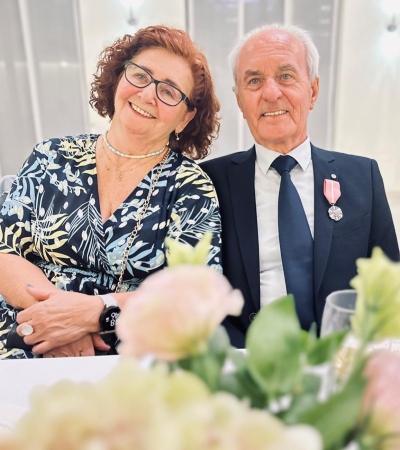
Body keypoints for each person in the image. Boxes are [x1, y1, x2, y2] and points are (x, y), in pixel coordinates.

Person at [0, 25, 221, 359]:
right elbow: (5, 251)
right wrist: (56, 320)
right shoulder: (50, 156)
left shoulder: (191, 187)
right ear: (118, 78)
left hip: (128, 357)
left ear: (185, 118)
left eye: (169, 91)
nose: (148, 94)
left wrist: (94, 314)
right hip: (25, 334)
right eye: (141, 75)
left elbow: (195, 296)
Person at [201, 24, 399, 348]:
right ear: (240, 101)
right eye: (254, 81)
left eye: (286, 76)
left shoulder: (363, 177)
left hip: (341, 360)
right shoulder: (210, 183)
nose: (271, 93)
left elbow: (389, 287)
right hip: (245, 362)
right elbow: (197, 295)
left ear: (313, 91)